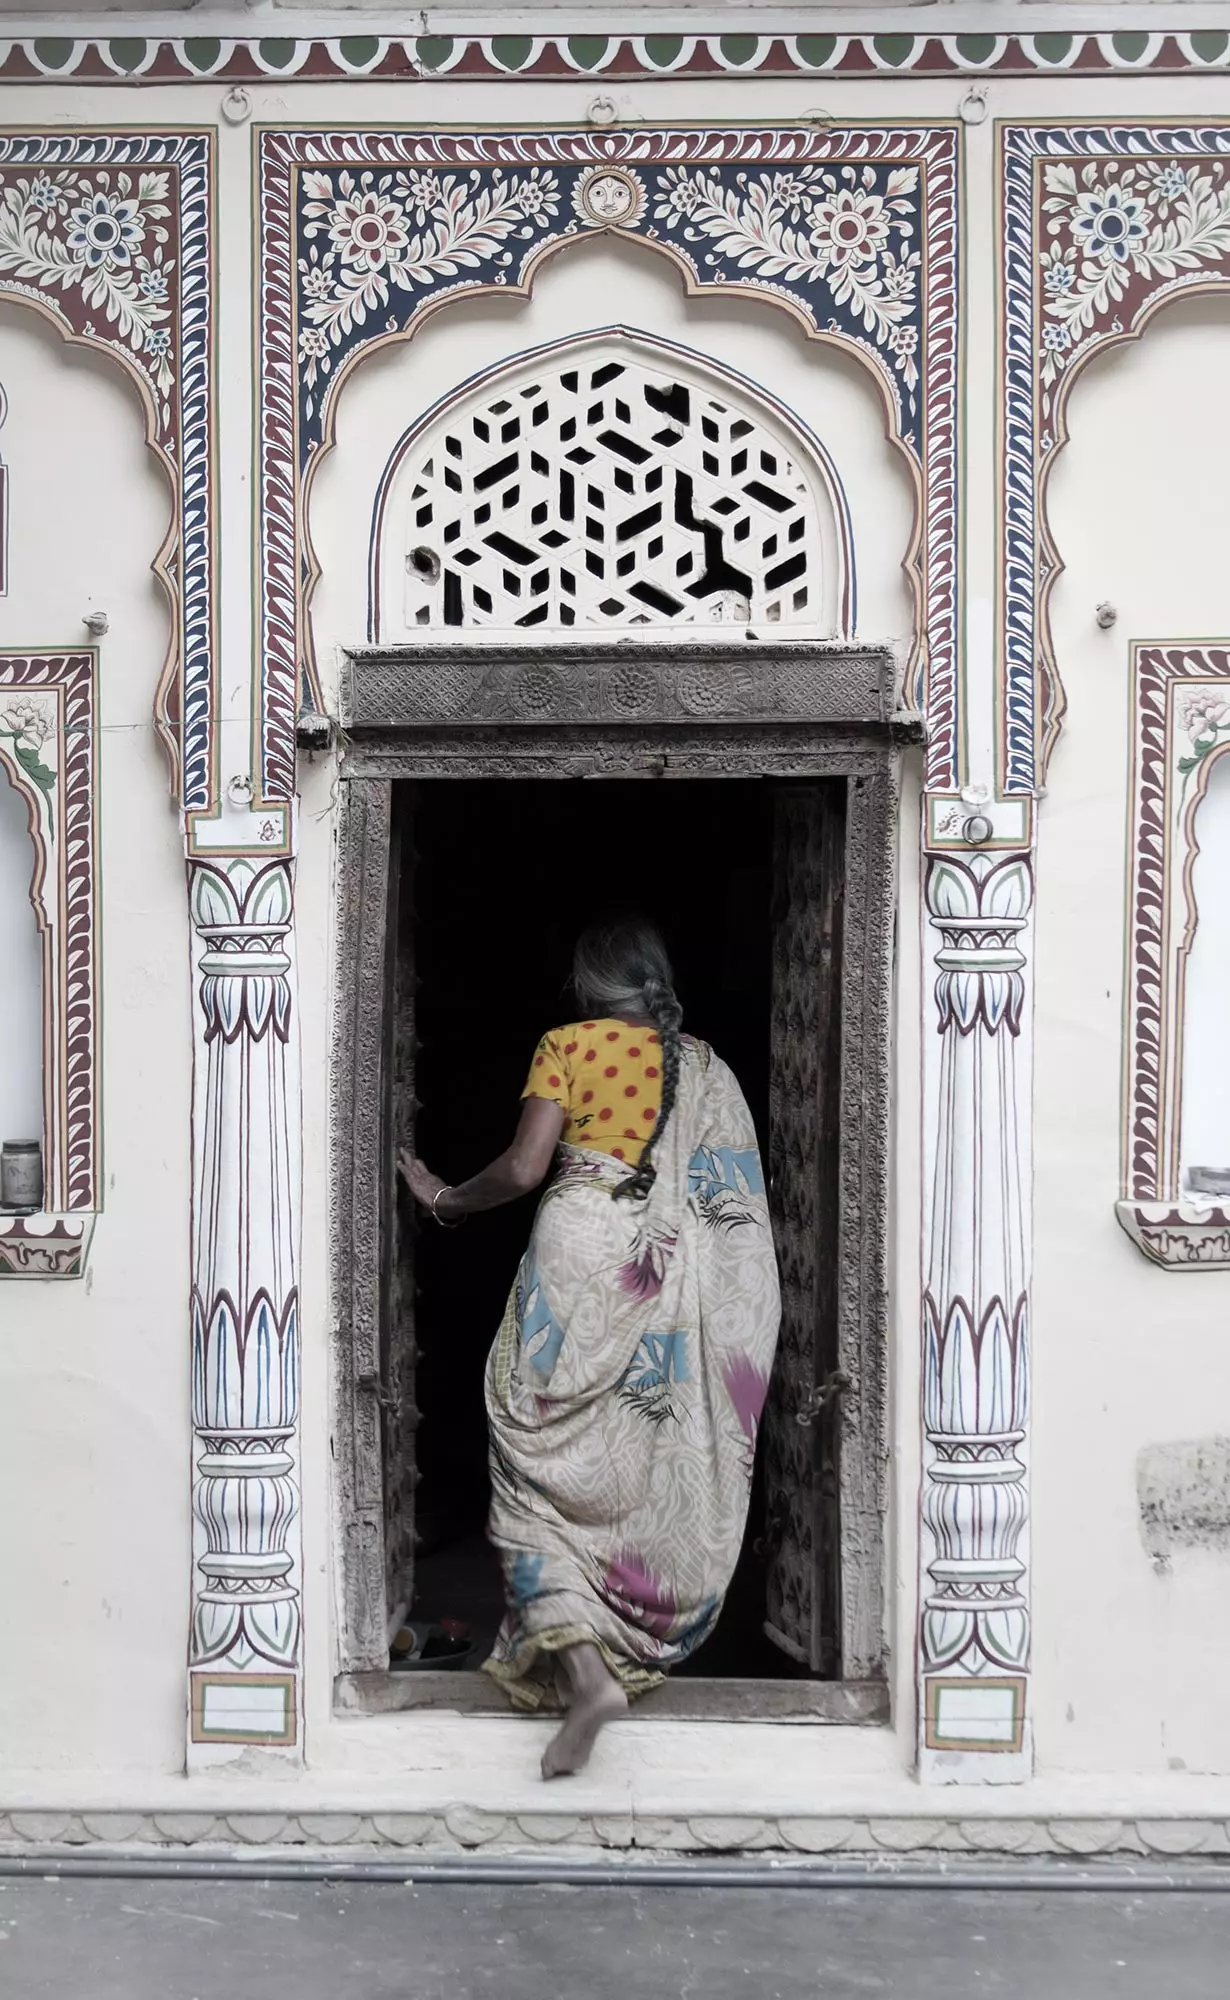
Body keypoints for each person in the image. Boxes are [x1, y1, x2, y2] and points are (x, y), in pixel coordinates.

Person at [399, 918, 781, 1779]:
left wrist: (448, 1199)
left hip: (576, 1260)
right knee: (630, 1452)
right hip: (662, 1281)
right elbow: (727, 1213)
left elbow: (528, 1167)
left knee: (531, 1464)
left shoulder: (567, 1045)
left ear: (587, 983)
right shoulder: (706, 1067)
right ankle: (601, 1657)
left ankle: (581, 1669)